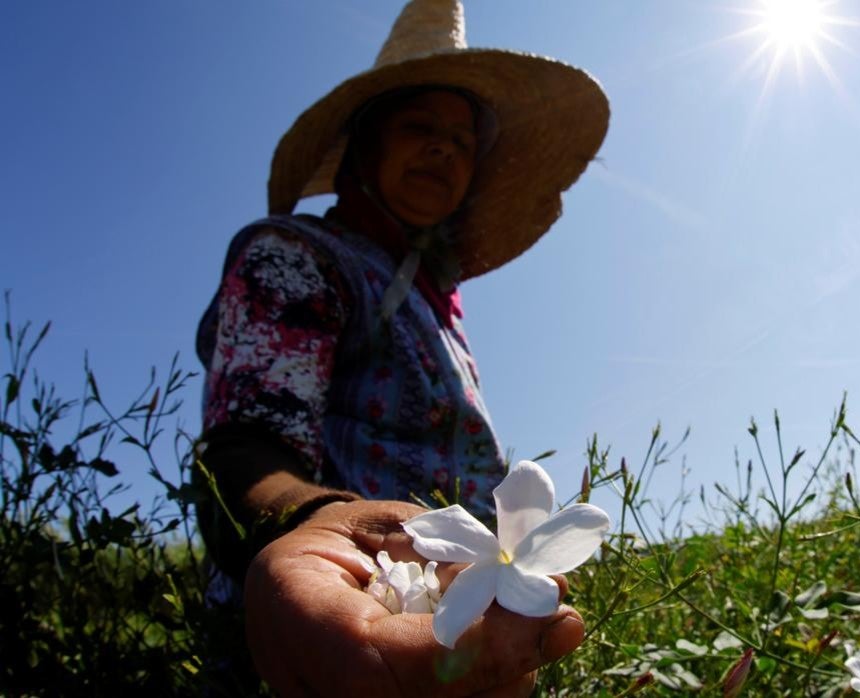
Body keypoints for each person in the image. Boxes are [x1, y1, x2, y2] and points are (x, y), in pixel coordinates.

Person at [193, 1, 609, 694]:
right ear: (364, 144)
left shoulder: (434, 305)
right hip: (334, 621)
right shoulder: (295, 258)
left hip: (449, 629)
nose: (444, 148)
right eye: (419, 127)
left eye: (463, 141)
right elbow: (243, 447)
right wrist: (312, 520)